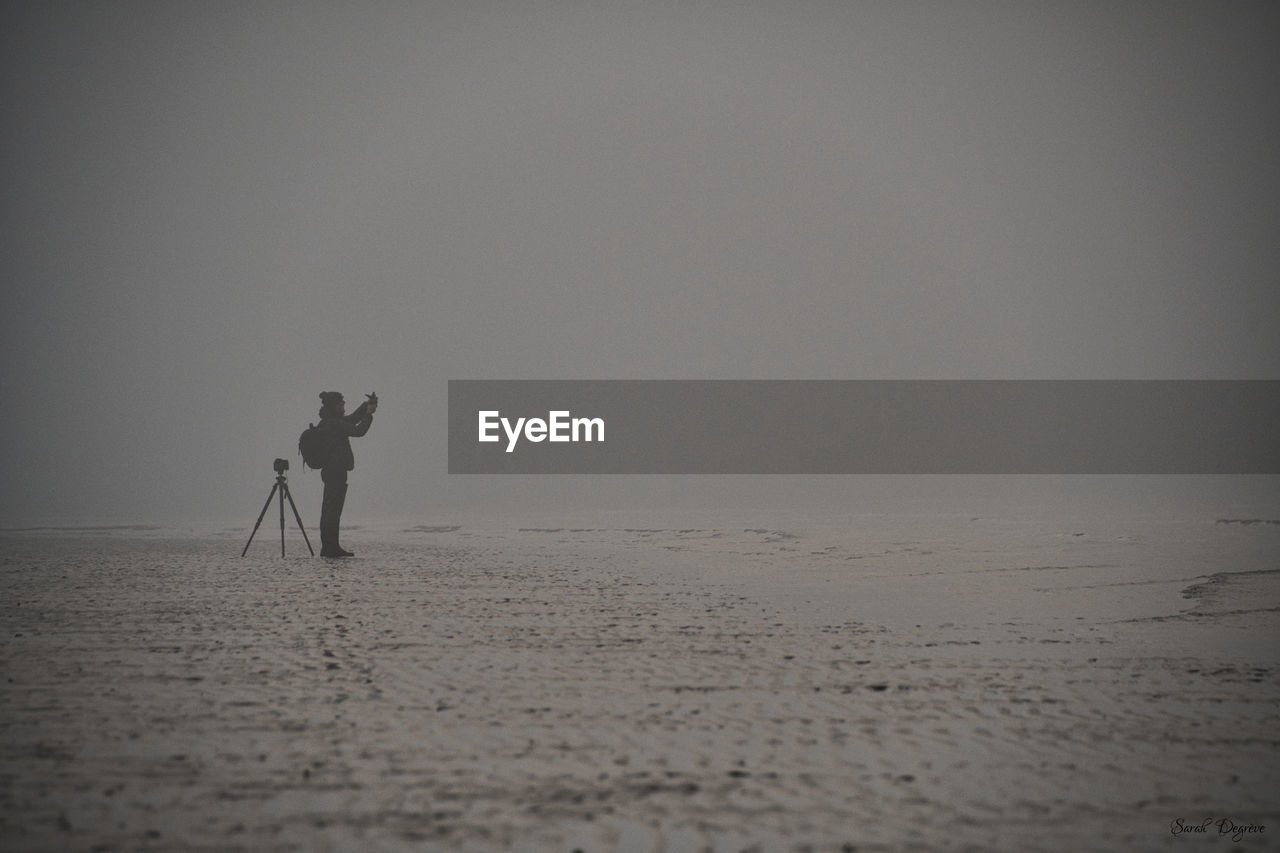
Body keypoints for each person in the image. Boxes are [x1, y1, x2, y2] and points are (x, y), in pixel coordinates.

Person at [316, 390, 377, 557]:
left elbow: (351, 419)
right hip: (336, 472)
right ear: (335, 406)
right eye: (341, 404)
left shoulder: (330, 421)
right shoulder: (334, 424)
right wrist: (369, 414)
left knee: (329, 510)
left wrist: (366, 406)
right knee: (333, 511)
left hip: (331, 471)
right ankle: (331, 548)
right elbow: (358, 431)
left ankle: (329, 547)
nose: (343, 406)